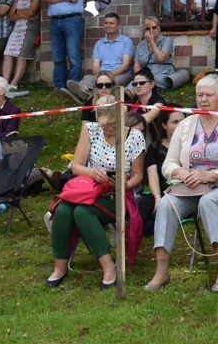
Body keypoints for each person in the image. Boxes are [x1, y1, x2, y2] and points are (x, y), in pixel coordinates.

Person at [145, 74, 218, 292]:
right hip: (191, 187)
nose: (203, 99)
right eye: (199, 95)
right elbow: (168, 164)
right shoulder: (185, 125)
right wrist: (182, 173)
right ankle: (162, 270)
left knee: (210, 202)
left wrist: (211, 175)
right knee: (166, 204)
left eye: (209, 95)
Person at [45, 102, 146, 288]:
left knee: (82, 212)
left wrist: (124, 184)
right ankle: (59, 266)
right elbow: (76, 166)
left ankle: (108, 267)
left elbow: (139, 176)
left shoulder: (135, 137)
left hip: (118, 194)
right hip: (89, 188)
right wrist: (93, 173)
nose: (109, 127)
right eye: (105, 123)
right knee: (64, 209)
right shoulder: (91, 129)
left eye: (113, 123)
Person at [65, 12, 134, 102]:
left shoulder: (126, 41)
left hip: (120, 75)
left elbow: (126, 65)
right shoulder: (99, 44)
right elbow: (95, 66)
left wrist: (109, 76)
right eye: (106, 23)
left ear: (118, 26)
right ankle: (86, 92)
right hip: (102, 74)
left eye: (111, 23)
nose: (108, 25)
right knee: (87, 78)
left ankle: (85, 94)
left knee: (110, 82)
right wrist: (99, 76)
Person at [141, 107, 185, 237]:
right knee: (141, 210)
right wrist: (157, 198)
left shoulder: (193, 145)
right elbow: (152, 176)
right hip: (160, 190)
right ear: (164, 125)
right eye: (175, 122)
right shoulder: (155, 148)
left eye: (182, 121)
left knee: (151, 227)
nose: (180, 125)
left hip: (182, 191)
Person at [44, 0, 85, 92]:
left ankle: (74, 85)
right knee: (58, 56)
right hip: (55, 21)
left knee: (73, 54)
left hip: (72, 20)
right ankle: (60, 85)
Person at [1, 0, 40, 92]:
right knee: (7, 54)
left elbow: (32, 12)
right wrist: (24, 14)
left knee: (21, 56)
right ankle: (4, 82)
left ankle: (13, 83)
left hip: (30, 29)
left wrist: (17, 11)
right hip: (17, 29)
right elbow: (11, 16)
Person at [133, 17, 190, 91]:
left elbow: (161, 57)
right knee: (138, 82)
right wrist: (139, 76)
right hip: (146, 74)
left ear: (159, 28)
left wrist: (151, 42)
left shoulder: (166, 41)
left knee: (151, 80)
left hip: (164, 75)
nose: (151, 30)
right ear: (144, 30)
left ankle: (136, 90)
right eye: (148, 28)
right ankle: (127, 94)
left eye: (154, 27)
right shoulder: (141, 44)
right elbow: (136, 65)